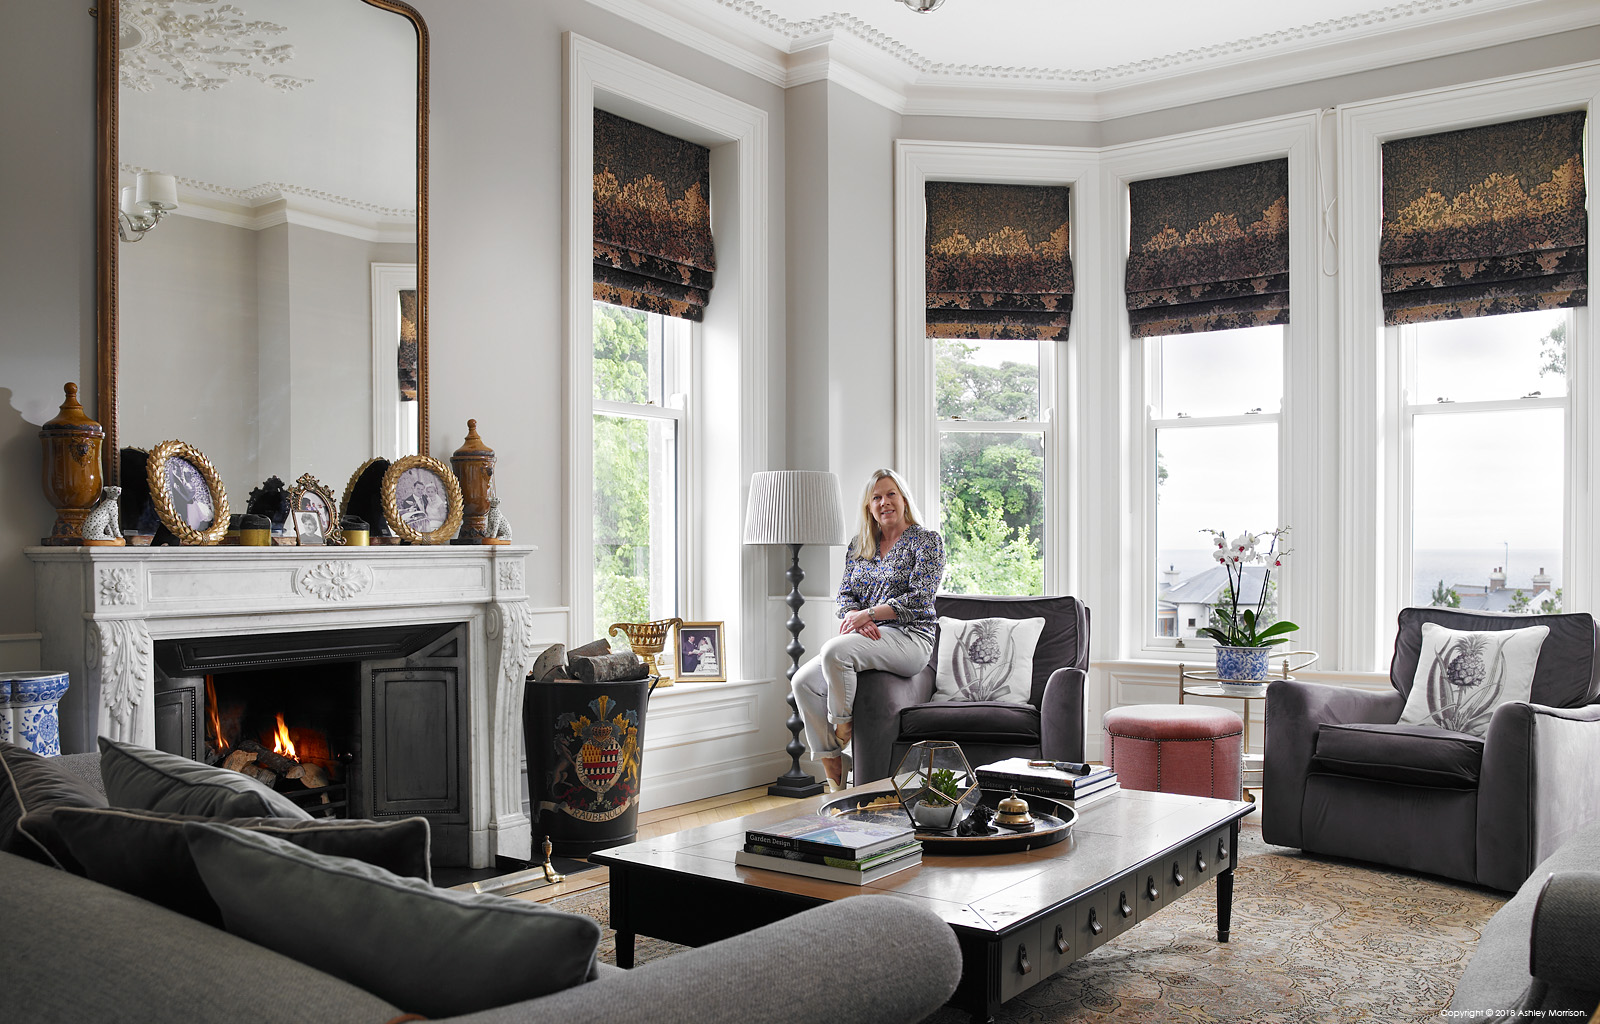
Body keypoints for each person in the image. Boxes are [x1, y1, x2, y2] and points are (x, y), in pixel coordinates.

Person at [790, 468, 945, 792]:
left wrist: (870, 613)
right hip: (865, 635)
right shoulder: (859, 546)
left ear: (903, 499)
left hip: (910, 637)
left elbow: (920, 599)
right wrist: (856, 616)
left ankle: (843, 731)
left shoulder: (926, 541)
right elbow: (845, 595)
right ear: (868, 506)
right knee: (802, 681)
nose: (884, 502)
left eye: (890, 494)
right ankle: (834, 769)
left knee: (835, 651)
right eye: (876, 498)